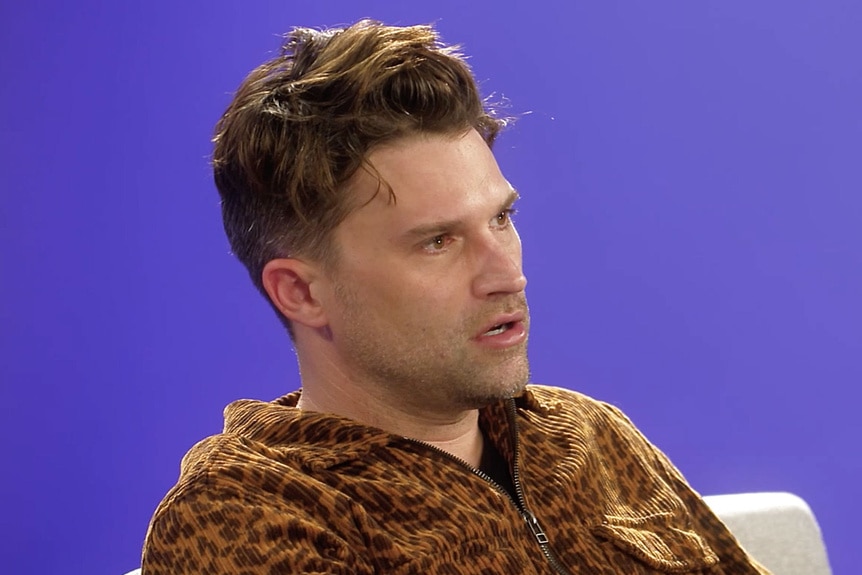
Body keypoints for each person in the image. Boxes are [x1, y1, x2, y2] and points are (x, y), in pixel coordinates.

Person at [142, 20, 769, 574]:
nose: (506, 275)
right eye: (438, 241)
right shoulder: (252, 513)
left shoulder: (586, 435)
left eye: (501, 219)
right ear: (301, 292)